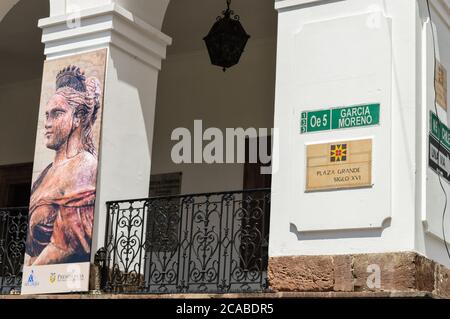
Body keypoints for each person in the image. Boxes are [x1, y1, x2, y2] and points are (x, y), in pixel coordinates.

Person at [24, 65, 102, 266]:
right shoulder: (46, 174)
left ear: (78, 118)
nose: (48, 123)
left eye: (57, 114)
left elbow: (67, 242)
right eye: (47, 115)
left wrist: (31, 277)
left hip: (58, 277)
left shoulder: (84, 166)